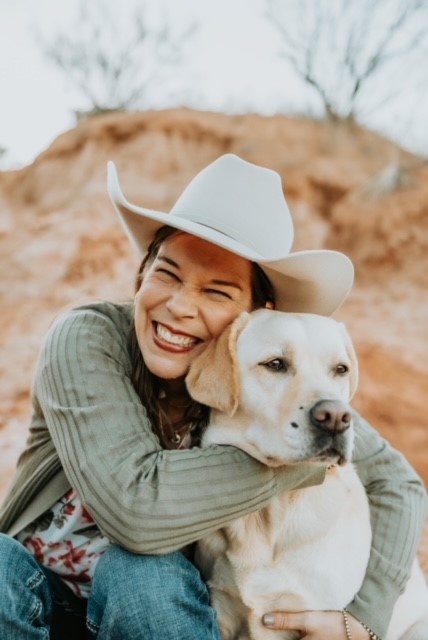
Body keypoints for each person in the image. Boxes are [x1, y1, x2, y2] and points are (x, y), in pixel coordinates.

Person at [0, 154, 425, 640]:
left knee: (143, 574)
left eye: (218, 292)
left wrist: (365, 620)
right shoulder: (88, 338)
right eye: (167, 274)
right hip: (35, 594)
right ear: (142, 274)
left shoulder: (261, 375)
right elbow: (135, 511)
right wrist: (297, 462)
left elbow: (397, 482)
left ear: (255, 317)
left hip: (147, 608)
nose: (180, 307)